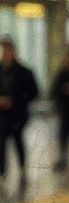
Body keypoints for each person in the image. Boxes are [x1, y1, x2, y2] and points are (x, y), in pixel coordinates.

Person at [0, 38, 38, 183]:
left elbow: (33, 92)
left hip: (18, 115)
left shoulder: (24, 72)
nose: (5, 53)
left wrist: (15, 101)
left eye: (7, 50)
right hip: (2, 115)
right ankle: (2, 170)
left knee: (18, 142)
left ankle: (22, 169)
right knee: (1, 143)